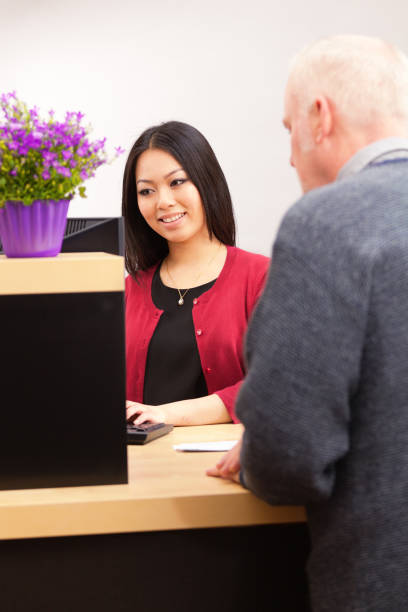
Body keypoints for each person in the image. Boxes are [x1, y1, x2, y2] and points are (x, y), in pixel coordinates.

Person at [208, 35, 408, 611]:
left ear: (320, 117)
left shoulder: (327, 224)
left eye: (288, 129)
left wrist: (256, 454)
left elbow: (286, 459)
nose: (291, 156)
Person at [122, 121, 269, 426]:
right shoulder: (127, 291)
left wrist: (166, 414)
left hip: (228, 465)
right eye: (146, 190)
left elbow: (274, 384)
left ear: (206, 181)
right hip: (146, 469)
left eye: (177, 182)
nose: (163, 202)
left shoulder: (262, 278)